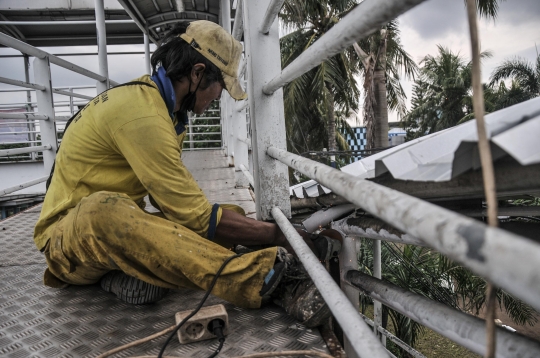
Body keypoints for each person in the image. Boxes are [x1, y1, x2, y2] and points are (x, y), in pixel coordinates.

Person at [33, 20, 338, 328]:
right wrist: (282, 234)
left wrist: (244, 228)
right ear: (197, 73)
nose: (219, 98)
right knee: (105, 211)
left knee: (229, 216)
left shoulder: (163, 109)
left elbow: (179, 210)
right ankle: (267, 282)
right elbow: (197, 218)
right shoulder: (143, 116)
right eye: (221, 87)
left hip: (110, 237)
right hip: (68, 244)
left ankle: (124, 275)